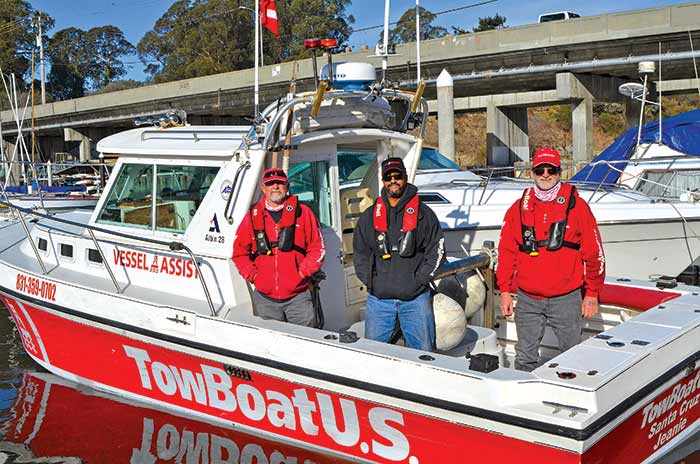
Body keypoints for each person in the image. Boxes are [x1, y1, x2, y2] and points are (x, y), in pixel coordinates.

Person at [497, 147, 606, 371]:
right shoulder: (518, 209)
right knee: (524, 357)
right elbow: (506, 252)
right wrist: (505, 291)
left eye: (551, 170)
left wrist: (592, 292)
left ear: (559, 173)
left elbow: (594, 253)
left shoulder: (578, 207)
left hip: (566, 298)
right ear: (532, 173)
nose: (545, 175)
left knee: (572, 356)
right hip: (528, 299)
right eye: (539, 170)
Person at [353, 157, 445, 351]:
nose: (393, 180)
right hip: (379, 302)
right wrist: (371, 282)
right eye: (388, 177)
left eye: (398, 176)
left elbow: (437, 250)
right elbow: (360, 253)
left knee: (424, 354)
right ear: (383, 180)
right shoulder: (369, 216)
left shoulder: (424, 214)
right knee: (373, 354)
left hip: (415, 300)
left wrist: (420, 280)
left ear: (405, 177)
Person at [233, 168, 326, 327]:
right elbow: (239, 254)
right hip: (265, 300)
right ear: (263, 188)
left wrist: (302, 273)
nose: (275, 186)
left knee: (305, 343)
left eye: (280, 183)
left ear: (287, 186)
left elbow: (318, 248)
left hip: (299, 298)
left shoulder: (303, 213)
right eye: (270, 183)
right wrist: (254, 276)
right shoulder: (251, 216)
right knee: (272, 346)